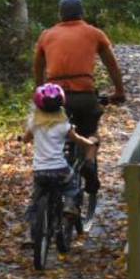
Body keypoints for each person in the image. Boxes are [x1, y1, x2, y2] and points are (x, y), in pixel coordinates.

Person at [32, 0, 126, 212]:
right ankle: (90, 163)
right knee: (90, 131)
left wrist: (40, 91)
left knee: (54, 135)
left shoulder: (46, 35)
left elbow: (37, 67)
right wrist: (119, 91)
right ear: (82, 13)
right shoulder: (94, 33)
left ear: (60, 15)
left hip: (54, 98)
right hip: (84, 96)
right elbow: (113, 66)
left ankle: (55, 180)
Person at [22, 83, 94, 218]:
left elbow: (26, 139)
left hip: (40, 171)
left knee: (35, 200)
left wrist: (21, 139)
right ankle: (69, 205)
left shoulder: (34, 124)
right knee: (71, 185)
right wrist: (90, 142)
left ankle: (30, 231)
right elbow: (78, 139)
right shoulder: (64, 126)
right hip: (60, 170)